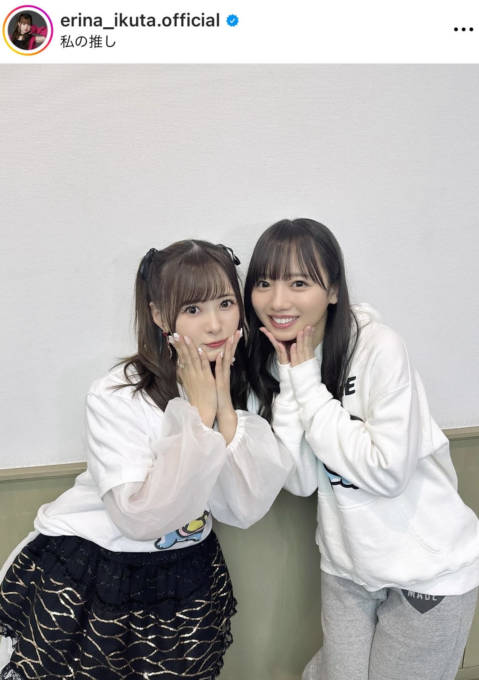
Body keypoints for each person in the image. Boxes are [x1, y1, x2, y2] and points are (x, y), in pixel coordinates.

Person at [0, 240, 291, 680]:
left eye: (225, 303)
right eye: (192, 309)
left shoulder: (241, 388)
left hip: (183, 571)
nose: (215, 323)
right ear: (158, 315)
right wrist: (199, 415)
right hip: (95, 567)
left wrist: (225, 409)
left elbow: (244, 507)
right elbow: (139, 517)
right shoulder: (117, 394)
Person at [244, 218, 479, 680]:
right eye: (264, 283)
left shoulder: (379, 348)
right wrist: (292, 377)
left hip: (427, 571)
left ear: (333, 290)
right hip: (349, 570)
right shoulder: (280, 360)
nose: (278, 301)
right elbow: (299, 480)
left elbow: (387, 473)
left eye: (299, 283)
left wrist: (307, 385)